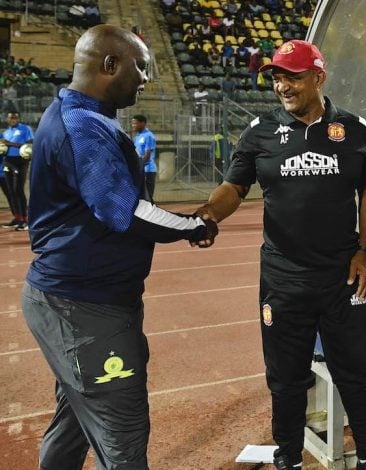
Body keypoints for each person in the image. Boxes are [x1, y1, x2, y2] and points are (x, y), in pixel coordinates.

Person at [21, 24, 218, 470]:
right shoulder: (83, 126)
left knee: (73, 422)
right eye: (141, 68)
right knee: (123, 436)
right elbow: (125, 212)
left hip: (72, 299)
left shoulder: (76, 112)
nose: (147, 80)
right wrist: (193, 226)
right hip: (85, 309)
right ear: (110, 65)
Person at [194, 40, 366, 470]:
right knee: (285, 378)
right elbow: (235, 187)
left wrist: (363, 248)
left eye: (293, 76)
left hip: (344, 276)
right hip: (283, 279)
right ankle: (288, 457)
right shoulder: (260, 131)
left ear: (318, 77)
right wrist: (210, 213)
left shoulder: (354, 129)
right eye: (277, 77)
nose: (283, 85)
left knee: (356, 372)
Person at [1, 111, 34, 230]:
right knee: (11, 191)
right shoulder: (5, 132)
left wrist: (10, 144)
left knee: (18, 190)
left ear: (19, 118)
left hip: (20, 161)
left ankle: (25, 219)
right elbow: (4, 147)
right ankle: (18, 218)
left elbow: (30, 143)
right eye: (11, 118)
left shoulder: (26, 129)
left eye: (15, 117)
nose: (13, 119)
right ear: (7, 119)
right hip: (8, 161)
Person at [131, 115, 157, 204]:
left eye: (135, 123)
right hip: (140, 170)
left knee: (148, 197)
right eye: (132, 123)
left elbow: (147, 154)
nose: (133, 125)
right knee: (141, 197)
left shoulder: (148, 136)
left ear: (142, 123)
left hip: (148, 170)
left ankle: (154, 216)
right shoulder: (137, 137)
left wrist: (140, 166)